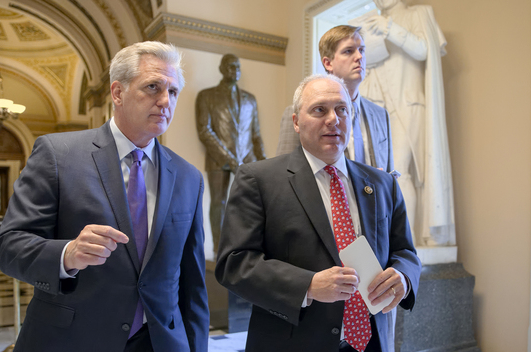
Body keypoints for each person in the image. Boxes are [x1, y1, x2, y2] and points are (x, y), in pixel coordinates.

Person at [0, 41, 209, 352]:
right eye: (153, 87)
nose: (165, 100)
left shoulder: (188, 177)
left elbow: (191, 274)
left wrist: (196, 349)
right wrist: (66, 254)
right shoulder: (60, 155)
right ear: (117, 92)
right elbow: (10, 245)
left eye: (174, 91)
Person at [216, 74, 421, 352]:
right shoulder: (259, 179)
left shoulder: (381, 184)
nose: (333, 119)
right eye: (319, 109)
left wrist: (404, 278)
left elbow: (405, 251)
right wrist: (308, 286)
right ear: (297, 121)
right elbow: (235, 263)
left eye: (342, 109)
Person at [356, 0, 456, 246]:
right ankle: (388, 240)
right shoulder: (368, 21)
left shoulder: (418, 14)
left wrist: (389, 27)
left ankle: (406, 243)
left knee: (400, 173)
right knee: (379, 175)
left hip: (408, 104)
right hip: (378, 106)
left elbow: (425, 50)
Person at [276, 25, 394, 173]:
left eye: (362, 50)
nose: (359, 57)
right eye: (348, 51)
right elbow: (285, 174)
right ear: (328, 63)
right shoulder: (300, 113)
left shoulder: (380, 115)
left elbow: (389, 177)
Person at [195, 54, 266, 254]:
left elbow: (256, 134)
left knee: (250, 202)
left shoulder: (249, 99)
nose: (234, 70)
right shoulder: (206, 96)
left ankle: (245, 247)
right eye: (230, 66)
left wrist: (264, 161)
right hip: (218, 160)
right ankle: (219, 249)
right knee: (219, 202)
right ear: (221, 68)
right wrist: (229, 159)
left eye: (237, 66)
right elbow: (204, 131)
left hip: (247, 158)